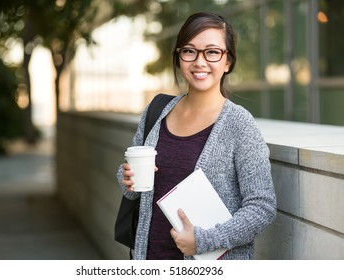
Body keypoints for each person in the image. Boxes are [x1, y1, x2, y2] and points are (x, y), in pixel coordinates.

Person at [117, 12, 277, 260]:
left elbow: (262, 207)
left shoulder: (239, 124)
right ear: (179, 57)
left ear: (228, 62)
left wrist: (204, 240)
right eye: (190, 51)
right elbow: (131, 180)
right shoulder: (157, 111)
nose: (200, 62)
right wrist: (127, 178)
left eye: (212, 52)